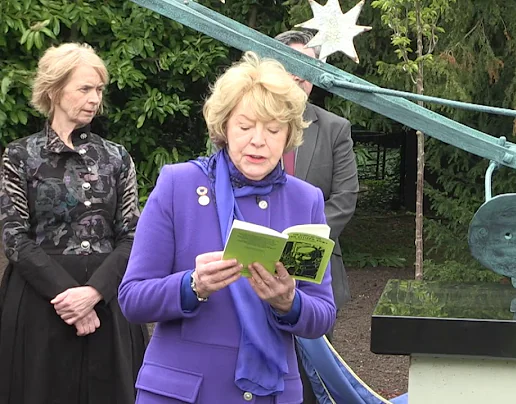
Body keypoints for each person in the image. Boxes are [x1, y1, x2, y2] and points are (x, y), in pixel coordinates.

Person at [118, 52, 336, 404]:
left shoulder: (305, 200)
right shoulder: (179, 185)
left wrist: (289, 303)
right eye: (245, 126)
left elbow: (323, 315)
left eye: (273, 129)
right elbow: (132, 299)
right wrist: (193, 285)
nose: (258, 140)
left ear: (289, 135)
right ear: (224, 128)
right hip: (182, 394)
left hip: (272, 394)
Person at [0, 43, 147, 404]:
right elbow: (14, 237)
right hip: (39, 305)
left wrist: (93, 294)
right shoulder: (19, 157)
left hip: (109, 305)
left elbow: (132, 235)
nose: (94, 98)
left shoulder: (117, 158)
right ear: (54, 90)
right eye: (84, 88)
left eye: (98, 89)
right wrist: (69, 299)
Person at [274, 30, 359, 313]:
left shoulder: (335, 128)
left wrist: (299, 247)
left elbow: (344, 199)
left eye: (307, 67)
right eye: (292, 66)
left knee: (314, 351)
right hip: (256, 259)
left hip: (315, 259)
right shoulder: (248, 124)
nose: (299, 76)